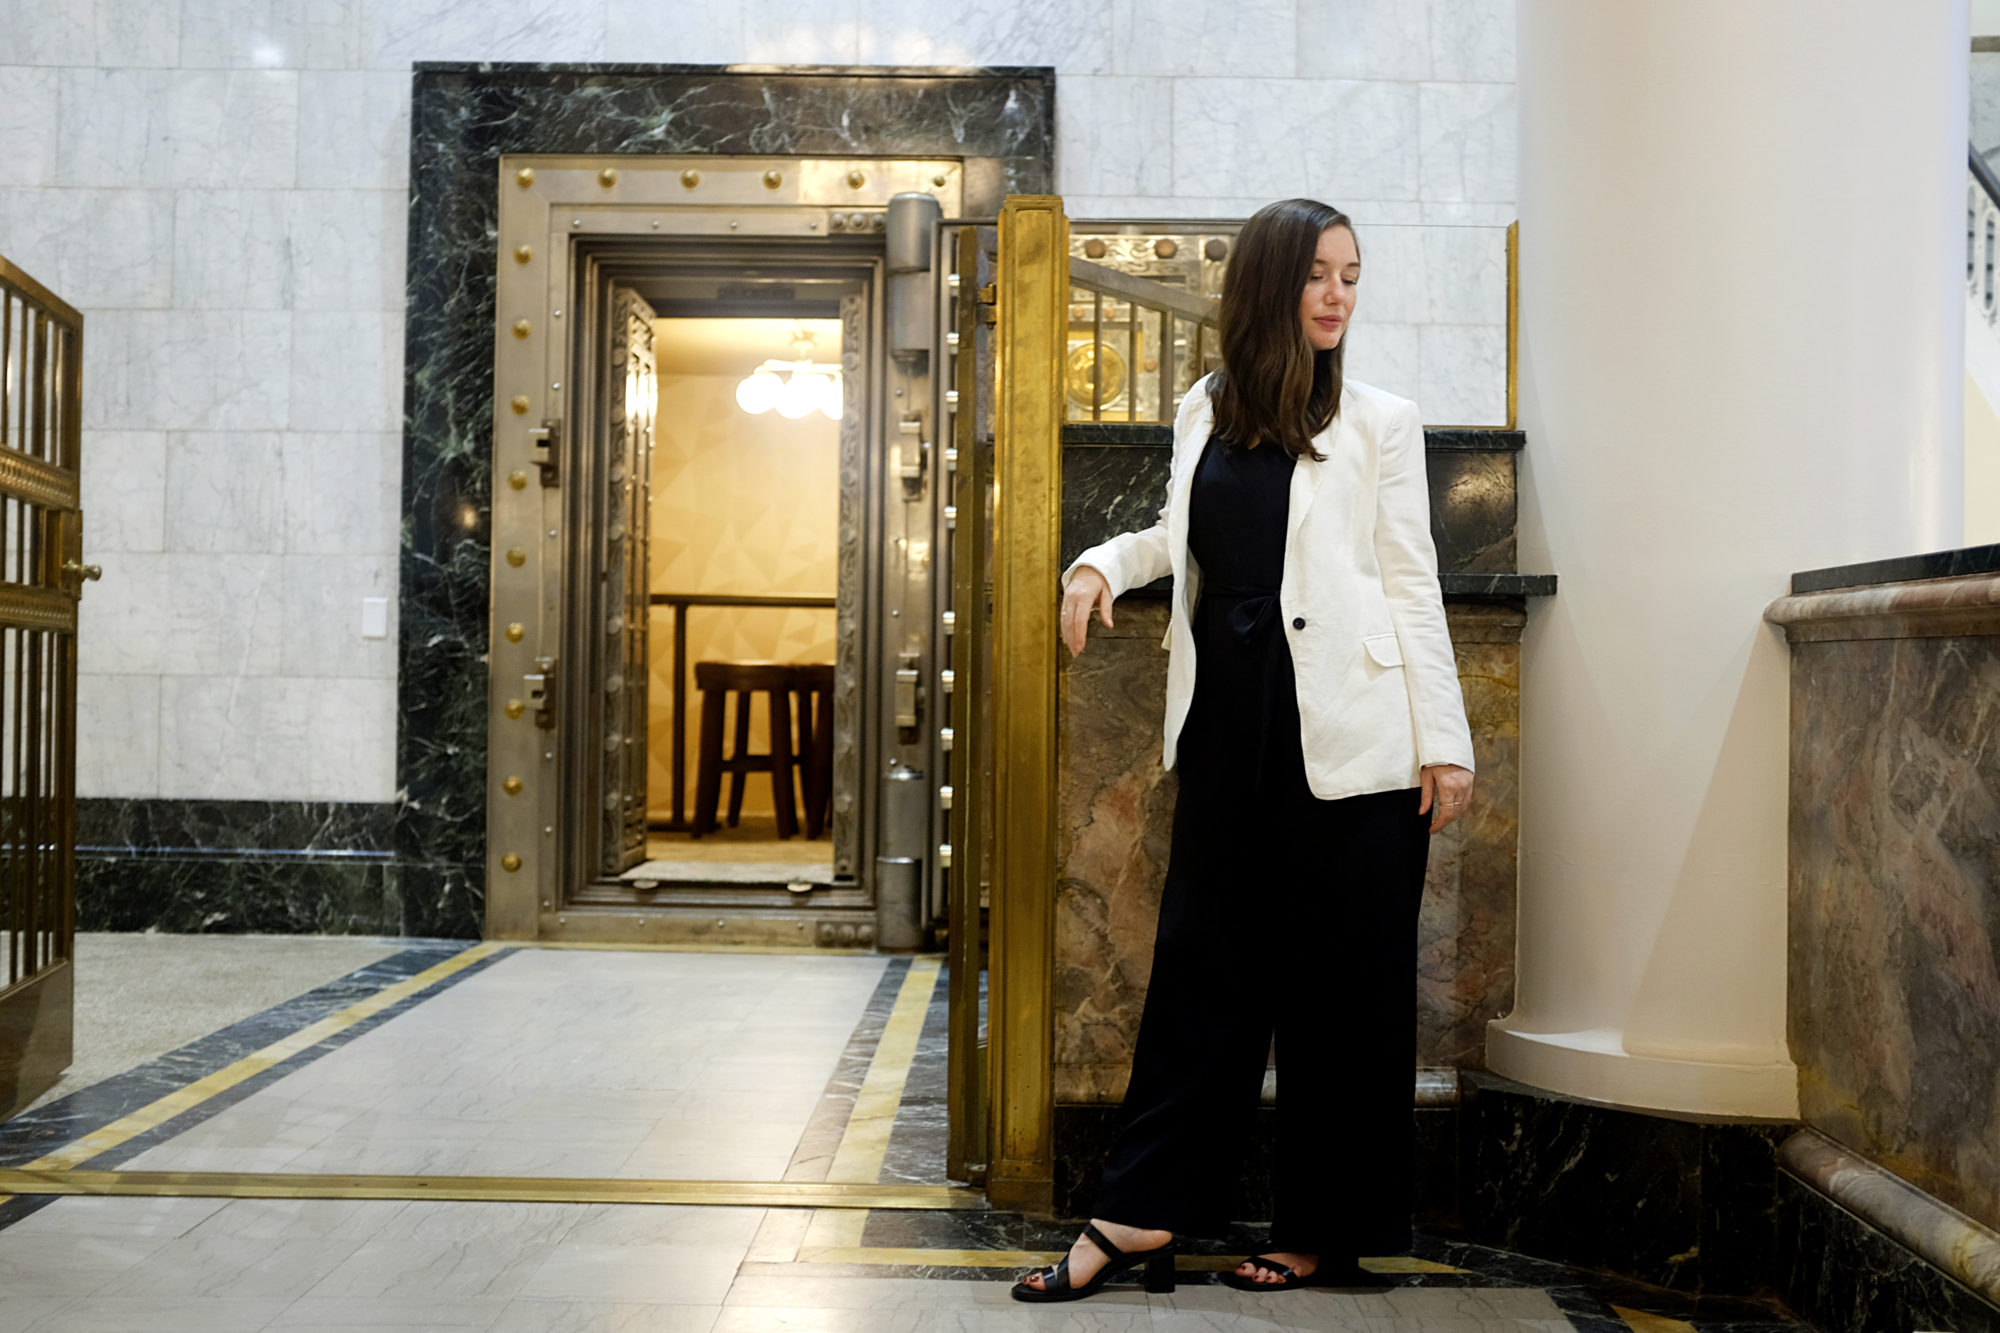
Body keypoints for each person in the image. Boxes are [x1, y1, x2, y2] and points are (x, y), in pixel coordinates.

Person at [1013, 198, 1476, 1303]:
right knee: (1200, 977)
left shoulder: (1378, 419)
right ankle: (1135, 1216)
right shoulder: (1203, 409)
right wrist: (1097, 564)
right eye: (1318, 274)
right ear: (1267, 285)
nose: (1336, 295)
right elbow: (1180, 539)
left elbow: (1410, 582)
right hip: (1227, 723)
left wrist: (1443, 742)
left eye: (1351, 276)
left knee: (1343, 995)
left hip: (1353, 739)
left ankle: (1323, 1230)